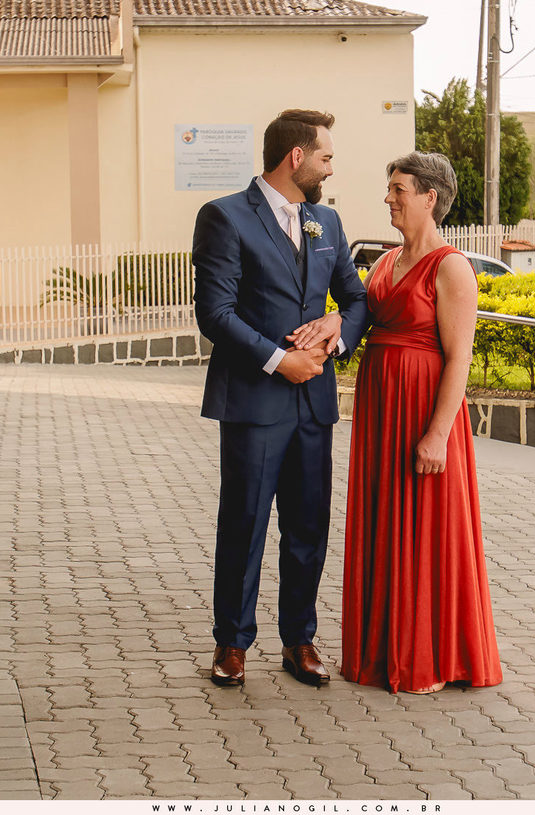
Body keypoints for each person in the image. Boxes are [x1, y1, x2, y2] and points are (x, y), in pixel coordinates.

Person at [193, 109, 369, 688]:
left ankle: (299, 640)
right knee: (242, 524)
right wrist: (279, 359)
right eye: (325, 156)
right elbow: (214, 314)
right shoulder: (224, 217)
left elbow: (356, 297)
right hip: (254, 400)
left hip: (314, 404)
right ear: (296, 157)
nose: (329, 166)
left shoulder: (328, 222)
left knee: (308, 526)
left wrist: (337, 330)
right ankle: (232, 644)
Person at [340, 152, 503, 694]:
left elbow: (460, 357)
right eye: (390, 188)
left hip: (421, 414)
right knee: (387, 523)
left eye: (399, 188)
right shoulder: (386, 263)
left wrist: (437, 433)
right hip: (381, 412)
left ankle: (428, 655)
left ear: (429, 197)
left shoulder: (452, 267)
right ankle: (384, 650)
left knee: (426, 528)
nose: (389, 197)